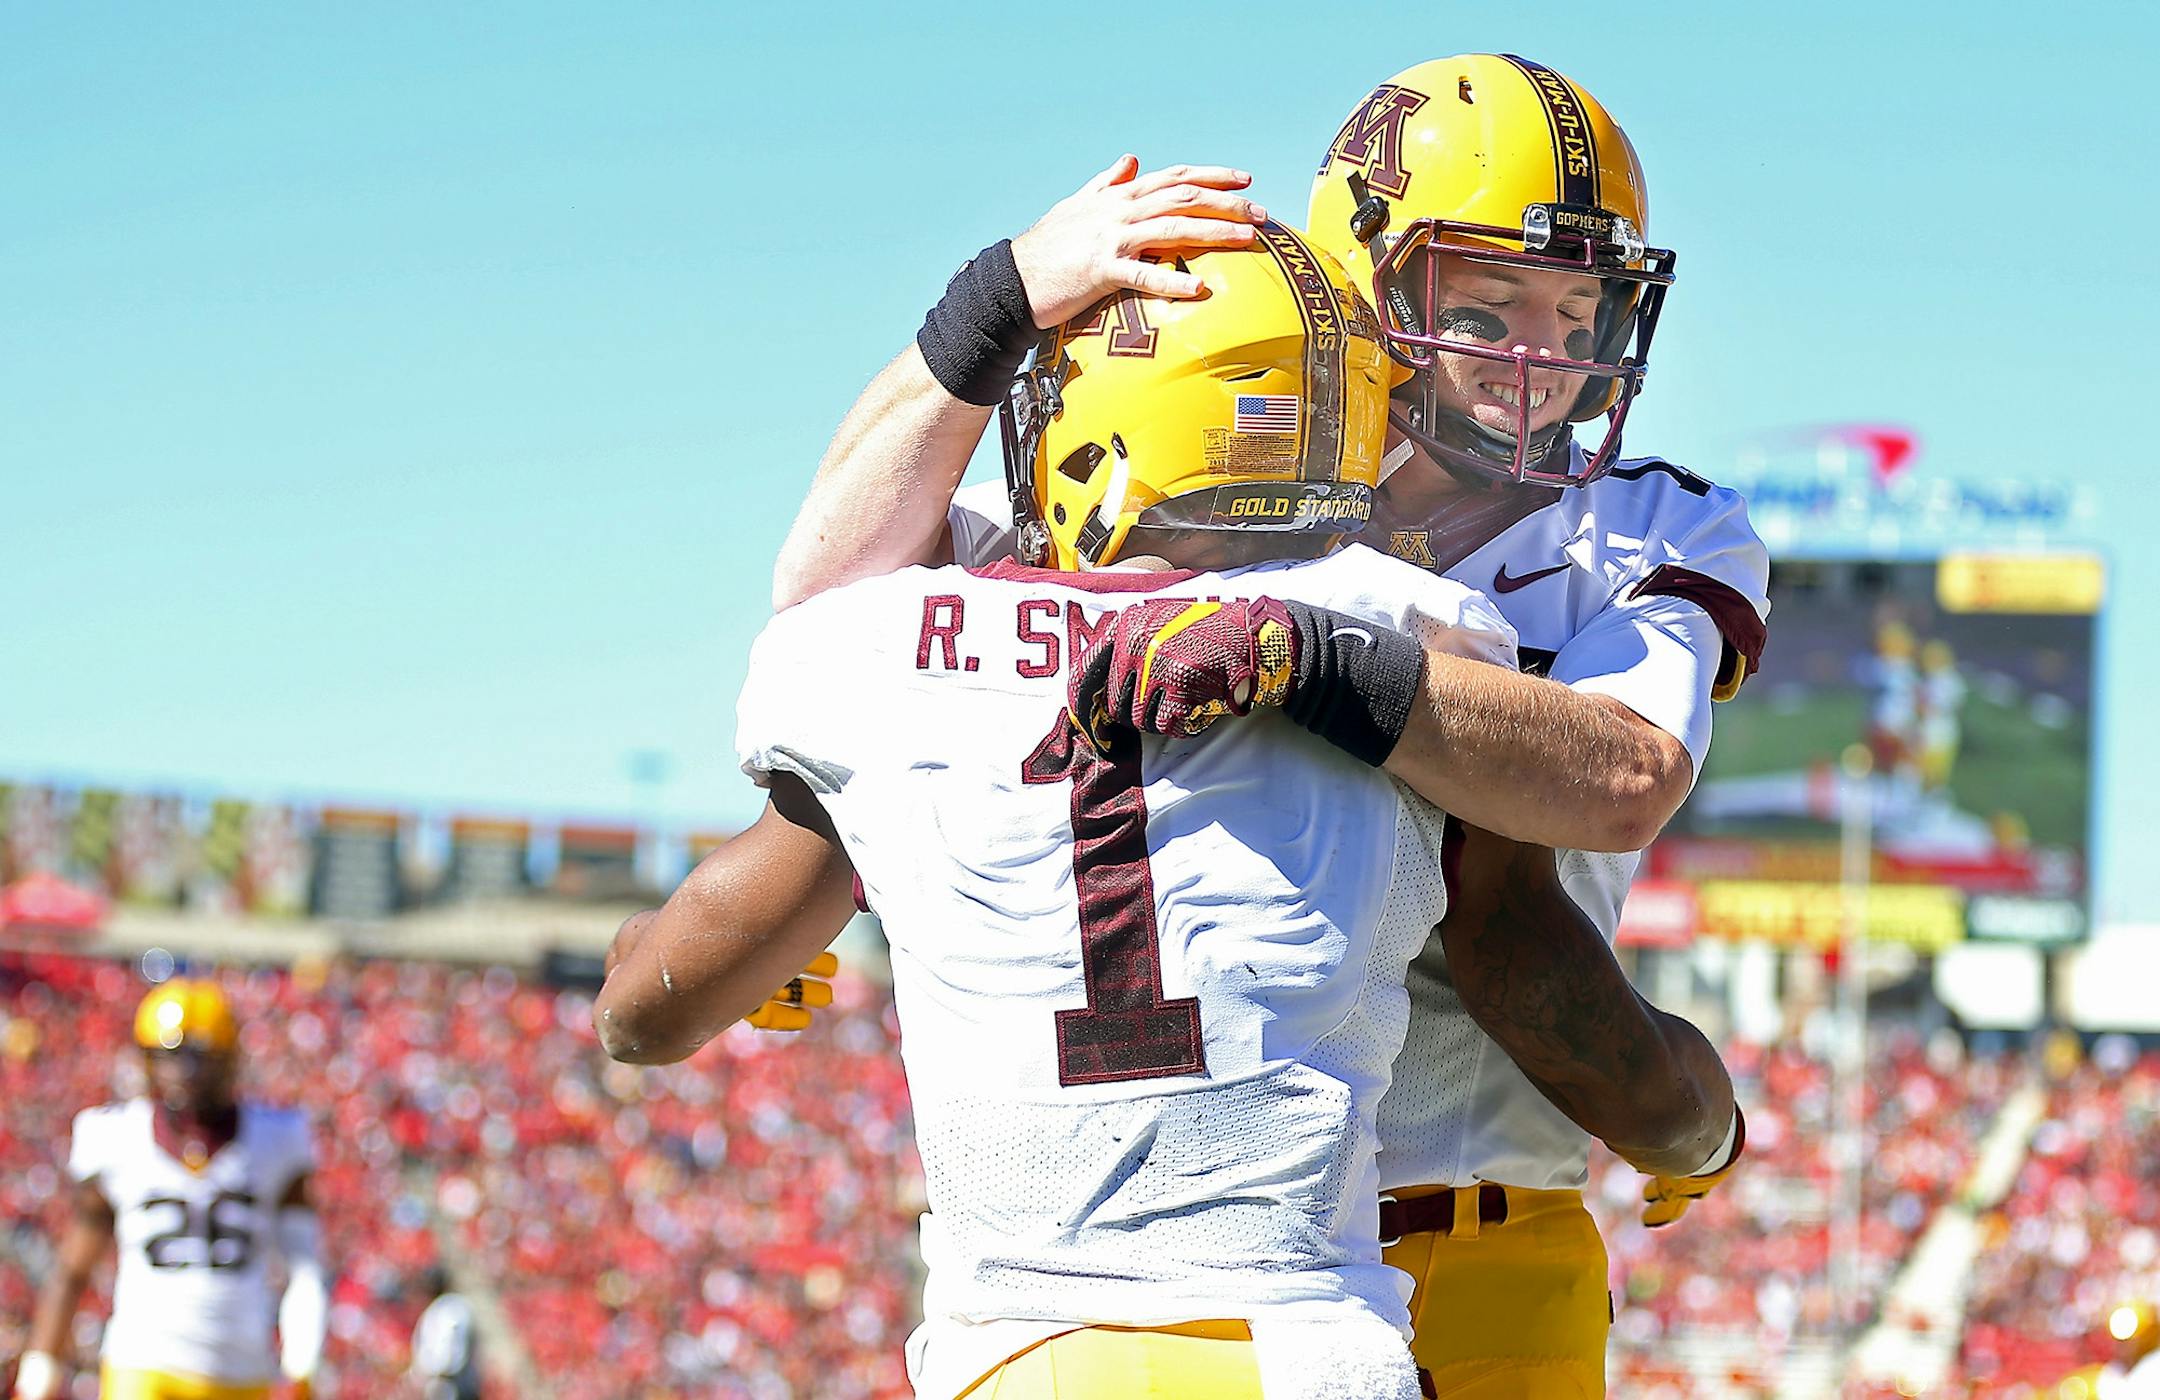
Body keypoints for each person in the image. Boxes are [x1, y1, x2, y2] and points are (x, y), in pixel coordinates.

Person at [766, 54, 1768, 1398]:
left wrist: (1318, 663)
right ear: (1369, 271)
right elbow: (831, 599)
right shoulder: (1208, 435)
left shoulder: (1645, 524)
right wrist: (996, 301)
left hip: (1470, 1224)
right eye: (1488, 298)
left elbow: (1623, 776)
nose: (1543, 353)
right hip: (1183, 1259)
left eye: (1577, 306)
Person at [600, 228, 1520, 1400]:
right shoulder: (1392, 632)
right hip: (1307, 1354)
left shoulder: (885, 651)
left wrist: (690, 952)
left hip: (1025, 1355)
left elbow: (647, 1012)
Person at [13, 979, 325, 1400]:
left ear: (228, 1060)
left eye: (198, 1059)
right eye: (167, 1057)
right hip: (145, 1362)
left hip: (242, 1368)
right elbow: (73, 1267)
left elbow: (303, 1265)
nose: (181, 1074)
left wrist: (302, 1359)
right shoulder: (115, 1138)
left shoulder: (277, 1138)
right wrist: (42, 1364)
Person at [408, 1267, 482, 1400]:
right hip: (439, 1379)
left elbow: (453, 1342)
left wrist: (444, 1369)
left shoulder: (452, 1305)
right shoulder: (436, 1308)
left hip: (452, 1380)